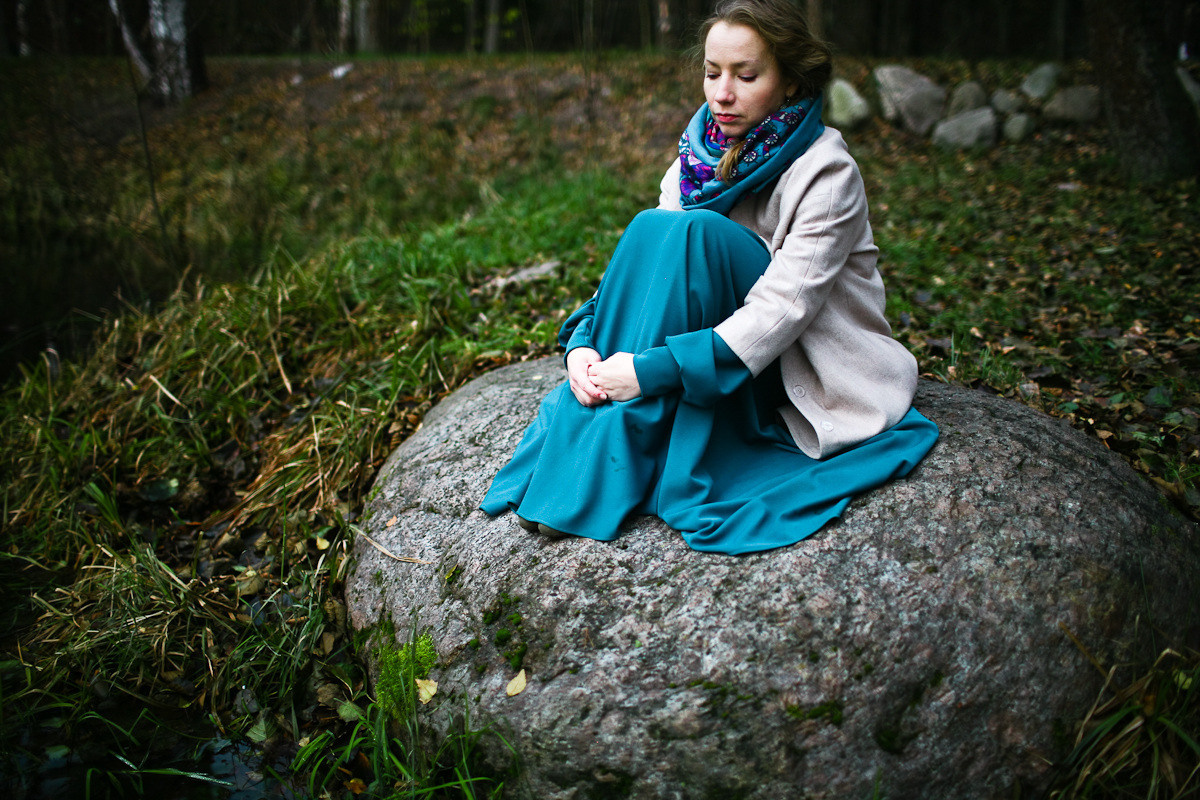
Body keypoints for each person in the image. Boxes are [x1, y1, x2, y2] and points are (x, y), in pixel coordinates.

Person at [481, 0, 939, 555]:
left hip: (789, 366)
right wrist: (584, 344)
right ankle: (609, 428)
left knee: (694, 233)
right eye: (712, 73)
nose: (722, 94)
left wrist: (651, 370)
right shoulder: (693, 160)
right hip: (706, 353)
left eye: (747, 76)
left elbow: (783, 309)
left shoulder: (827, 171)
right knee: (656, 228)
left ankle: (609, 455)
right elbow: (648, 273)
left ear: (791, 82)